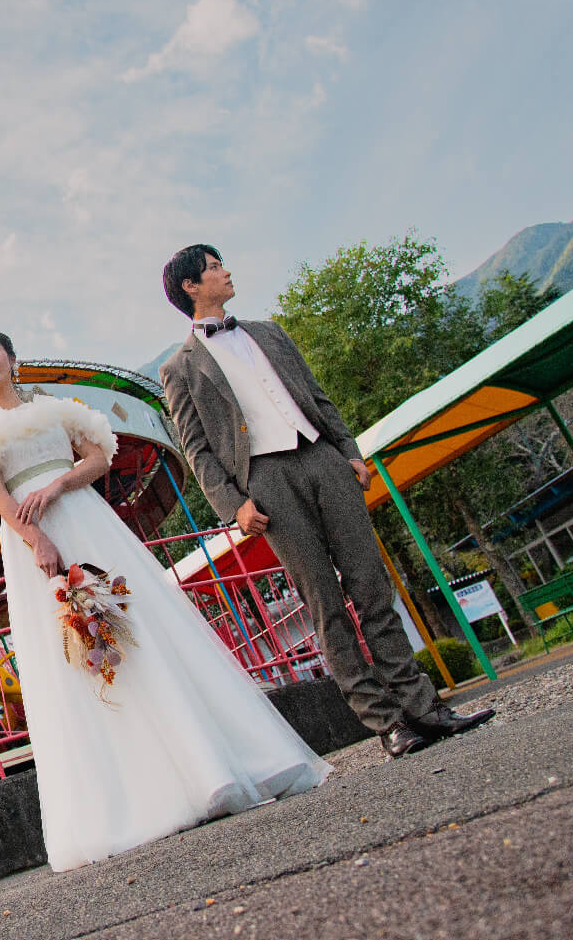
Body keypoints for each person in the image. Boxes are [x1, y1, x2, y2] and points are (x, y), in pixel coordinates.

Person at [0, 328, 328, 872]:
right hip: (34, 541)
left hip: (85, 519)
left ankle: (211, 768)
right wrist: (38, 538)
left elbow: (97, 459)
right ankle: (136, 799)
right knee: (79, 659)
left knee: (143, 634)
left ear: (13, 359)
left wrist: (56, 487)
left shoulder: (58, 407)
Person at [155, 245, 494, 758]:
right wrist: (234, 505)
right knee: (324, 603)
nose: (227, 271)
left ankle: (426, 708)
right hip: (265, 482)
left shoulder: (269, 332)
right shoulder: (179, 368)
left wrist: (348, 451)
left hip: (323, 459)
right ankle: (387, 724)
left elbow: (315, 395)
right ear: (191, 286)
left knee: (372, 585)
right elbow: (196, 447)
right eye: (215, 267)